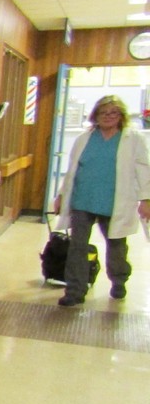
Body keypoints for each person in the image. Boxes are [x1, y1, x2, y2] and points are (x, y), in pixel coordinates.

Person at [53, 95, 150, 307]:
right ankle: (75, 291)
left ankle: (119, 279)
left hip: (114, 202)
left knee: (116, 247)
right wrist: (61, 195)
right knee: (77, 247)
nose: (108, 116)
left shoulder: (132, 139)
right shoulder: (84, 138)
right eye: (103, 113)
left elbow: (144, 170)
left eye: (113, 113)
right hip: (82, 199)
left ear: (121, 116)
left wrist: (146, 199)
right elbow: (72, 170)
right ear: (95, 115)